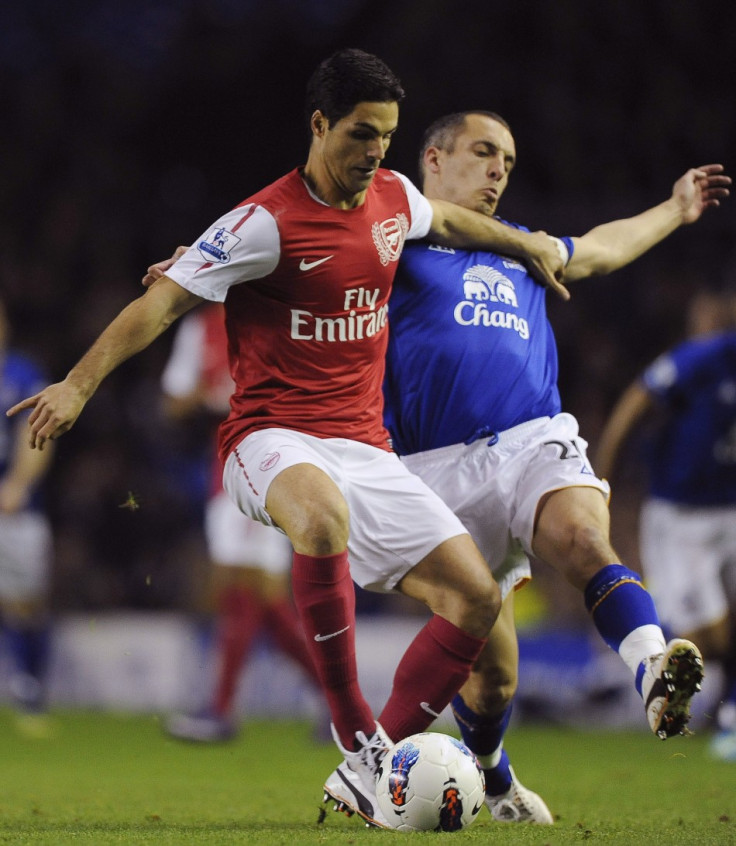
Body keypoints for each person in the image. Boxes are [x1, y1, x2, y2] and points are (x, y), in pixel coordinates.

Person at [6, 49, 569, 829]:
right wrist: (77, 383)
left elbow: (453, 218)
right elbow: (162, 305)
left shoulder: (394, 200)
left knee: (475, 597)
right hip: (267, 438)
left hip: (364, 448)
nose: (375, 152)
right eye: (362, 134)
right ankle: (360, 739)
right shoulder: (264, 223)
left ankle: (364, 773)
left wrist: (527, 244)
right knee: (319, 516)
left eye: (387, 136)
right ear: (319, 125)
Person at [382, 111, 729, 822]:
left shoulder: (524, 250)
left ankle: (653, 668)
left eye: (507, 159)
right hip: (432, 469)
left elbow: (600, 249)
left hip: (532, 438)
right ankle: (496, 777)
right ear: (434, 158)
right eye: (483, 152)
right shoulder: (394, 240)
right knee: (492, 681)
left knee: (582, 536)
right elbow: (302, 253)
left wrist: (675, 208)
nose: (499, 169)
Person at [159, 302, 328, 742]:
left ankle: (221, 710)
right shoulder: (202, 328)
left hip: (269, 460)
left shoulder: (279, 317)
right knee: (255, 595)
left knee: (245, 584)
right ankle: (339, 707)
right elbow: (172, 404)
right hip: (224, 465)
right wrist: (207, 391)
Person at [596, 288, 736, 763]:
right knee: (712, 637)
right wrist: (603, 475)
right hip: (681, 515)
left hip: (730, 509)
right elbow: (638, 399)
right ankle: (653, 662)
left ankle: (731, 716)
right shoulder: (705, 357)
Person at [0, 298, 55, 735]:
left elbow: (38, 434)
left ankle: (31, 690)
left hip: (12, 507)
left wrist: (18, 484)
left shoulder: (20, 373)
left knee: (24, 603)